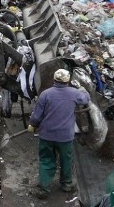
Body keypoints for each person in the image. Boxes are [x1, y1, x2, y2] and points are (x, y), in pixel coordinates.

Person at [28, 69, 90, 199]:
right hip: (65, 137)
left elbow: (37, 115)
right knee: (66, 159)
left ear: (54, 80)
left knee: (46, 159)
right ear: (67, 81)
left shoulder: (46, 94)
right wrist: (83, 90)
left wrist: (32, 125)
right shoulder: (74, 93)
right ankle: (66, 184)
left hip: (47, 135)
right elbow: (85, 100)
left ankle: (44, 188)